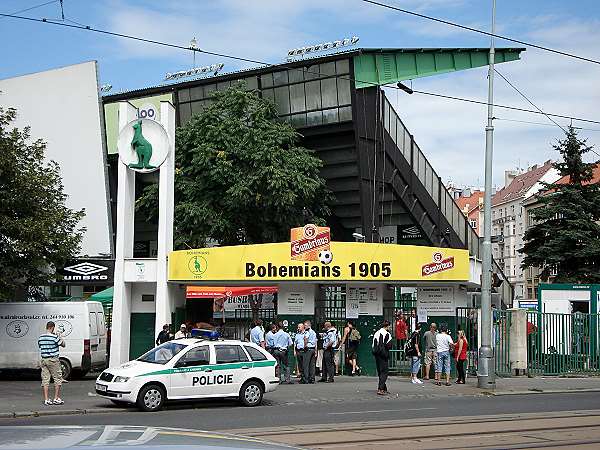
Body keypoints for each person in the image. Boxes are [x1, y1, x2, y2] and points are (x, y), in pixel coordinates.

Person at [38, 321, 66, 405]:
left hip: (44, 360)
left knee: (45, 379)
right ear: (52, 327)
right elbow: (63, 344)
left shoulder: (40, 337)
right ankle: (56, 398)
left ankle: (46, 399)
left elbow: (40, 346)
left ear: (47, 327)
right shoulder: (54, 337)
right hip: (53, 360)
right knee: (57, 378)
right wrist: (60, 336)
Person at [372, 320, 392, 395]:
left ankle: (384, 388)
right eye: (389, 326)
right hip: (384, 355)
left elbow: (373, 344)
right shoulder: (387, 334)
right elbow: (389, 345)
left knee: (380, 372)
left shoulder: (376, 333)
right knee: (384, 372)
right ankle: (380, 389)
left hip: (377, 354)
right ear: (387, 326)